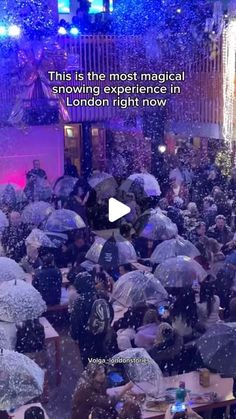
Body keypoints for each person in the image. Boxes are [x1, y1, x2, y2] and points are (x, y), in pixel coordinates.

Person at [70, 272, 113, 366]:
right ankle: (102, 375)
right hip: (102, 333)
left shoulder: (80, 301)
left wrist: (75, 336)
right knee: (102, 358)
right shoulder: (101, 295)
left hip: (86, 336)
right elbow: (110, 312)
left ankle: (92, 378)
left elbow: (75, 321)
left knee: (89, 364)